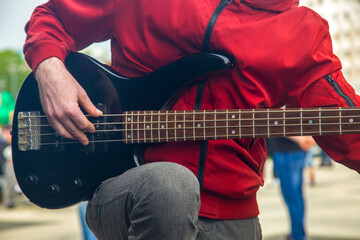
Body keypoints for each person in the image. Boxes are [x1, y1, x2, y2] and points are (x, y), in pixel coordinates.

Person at [23, 0, 360, 239]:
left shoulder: (302, 34)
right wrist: (50, 70)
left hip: (233, 218)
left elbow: (348, 127)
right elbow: (54, 17)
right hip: (127, 189)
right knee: (171, 185)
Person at [268, 136, 315, 240]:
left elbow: (277, 122)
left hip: (287, 150)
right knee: (296, 195)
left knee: (292, 196)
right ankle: (297, 232)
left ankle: (298, 235)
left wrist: (300, 139)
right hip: (295, 148)